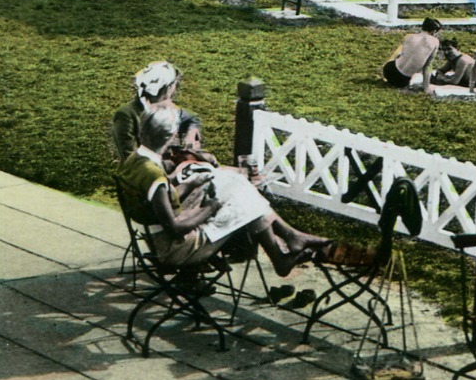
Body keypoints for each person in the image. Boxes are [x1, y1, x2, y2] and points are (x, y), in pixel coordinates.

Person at [115, 106, 333, 278]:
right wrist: (211, 209)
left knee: (233, 183)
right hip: (176, 248)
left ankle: (289, 239)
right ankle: (283, 250)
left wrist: (191, 184)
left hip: (155, 235)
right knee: (243, 201)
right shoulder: (155, 177)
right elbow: (175, 228)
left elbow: (160, 199)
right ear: (170, 136)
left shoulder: (134, 161)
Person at [109, 60, 214, 166]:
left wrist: (191, 132)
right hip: (144, 175)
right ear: (168, 88)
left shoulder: (164, 106)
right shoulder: (125, 115)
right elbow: (131, 158)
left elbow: (191, 117)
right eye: (175, 83)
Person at [382, 17, 444, 91]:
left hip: (388, 70)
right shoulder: (435, 42)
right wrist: (426, 87)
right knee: (418, 75)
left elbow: (400, 54)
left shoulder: (409, 36)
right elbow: (427, 66)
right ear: (434, 31)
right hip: (402, 80)